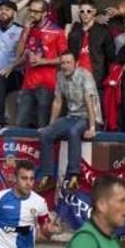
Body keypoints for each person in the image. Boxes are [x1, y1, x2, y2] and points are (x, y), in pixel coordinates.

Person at [35, 52, 101, 193]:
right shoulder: (59, 75)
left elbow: (90, 102)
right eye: (62, 63)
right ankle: (48, 176)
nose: (65, 66)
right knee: (46, 134)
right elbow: (58, 101)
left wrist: (92, 127)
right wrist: (50, 125)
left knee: (73, 132)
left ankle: (74, 175)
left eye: (68, 62)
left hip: (87, 117)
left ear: (76, 63)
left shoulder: (85, 75)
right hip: (71, 116)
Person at [13, 0, 68, 129]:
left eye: (36, 12)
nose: (32, 14)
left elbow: (65, 59)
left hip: (47, 84)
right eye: (31, 11)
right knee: (20, 124)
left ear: (45, 13)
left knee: (42, 126)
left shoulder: (57, 32)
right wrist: (25, 31)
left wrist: (43, 61)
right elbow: (18, 54)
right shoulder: (28, 29)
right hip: (28, 83)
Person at [0, 1, 25, 129]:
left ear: (14, 13)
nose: (3, 12)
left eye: (8, 10)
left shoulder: (20, 30)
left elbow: (22, 55)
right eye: (1, 9)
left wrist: (11, 66)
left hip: (14, 73)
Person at [68, 0, 116, 92]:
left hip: (97, 80)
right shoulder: (74, 32)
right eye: (82, 11)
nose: (85, 14)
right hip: (77, 80)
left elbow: (111, 57)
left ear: (94, 12)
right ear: (79, 13)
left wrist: (107, 78)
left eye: (88, 11)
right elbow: (70, 55)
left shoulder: (104, 31)